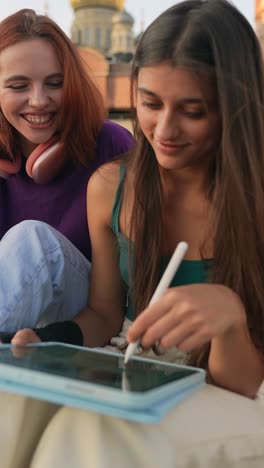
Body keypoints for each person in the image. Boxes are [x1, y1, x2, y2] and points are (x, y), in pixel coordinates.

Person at [2, 2, 264, 468]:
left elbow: (241, 386)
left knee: (91, 432)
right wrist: (51, 339)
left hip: (236, 385)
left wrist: (229, 321)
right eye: (150, 103)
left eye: (194, 111)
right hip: (140, 371)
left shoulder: (254, 203)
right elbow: (104, 314)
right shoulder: (111, 187)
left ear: (237, 105)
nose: (165, 130)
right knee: (13, 402)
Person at [0, 8, 133, 336]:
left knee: (33, 242)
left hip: (92, 320)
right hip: (17, 325)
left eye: (55, 83)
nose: (38, 100)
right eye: (19, 86)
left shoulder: (110, 143)